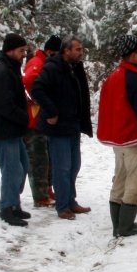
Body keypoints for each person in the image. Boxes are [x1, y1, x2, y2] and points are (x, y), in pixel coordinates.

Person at [97, 35, 137, 237]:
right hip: (135, 138)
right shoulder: (135, 80)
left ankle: (119, 225)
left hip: (120, 139)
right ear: (133, 56)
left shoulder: (114, 75)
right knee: (136, 183)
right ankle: (125, 226)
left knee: (120, 181)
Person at [31, 36, 93, 220]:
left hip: (72, 125)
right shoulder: (52, 67)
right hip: (58, 128)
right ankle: (63, 206)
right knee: (62, 168)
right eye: (78, 49)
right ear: (67, 50)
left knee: (74, 166)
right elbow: (37, 89)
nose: (81, 52)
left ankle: (71, 201)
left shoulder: (74, 68)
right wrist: (51, 113)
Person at [0, 33, 32, 227]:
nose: (24, 54)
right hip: (3, 130)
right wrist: (25, 117)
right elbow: (5, 106)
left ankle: (14, 203)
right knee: (12, 170)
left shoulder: (9, 67)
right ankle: (7, 208)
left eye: (25, 50)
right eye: (21, 51)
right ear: (10, 50)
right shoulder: (2, 71)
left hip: (11, 129)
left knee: (23, 166)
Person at [22, 35, 61, 208]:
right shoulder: (37, 62)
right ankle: (40, 196)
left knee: (47, 157)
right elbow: (29, 79)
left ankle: (47, 190)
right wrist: (39, 99)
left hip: (42, 120)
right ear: (51, 51)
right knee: (39, 159)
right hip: (34, 121)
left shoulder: (45, 61)